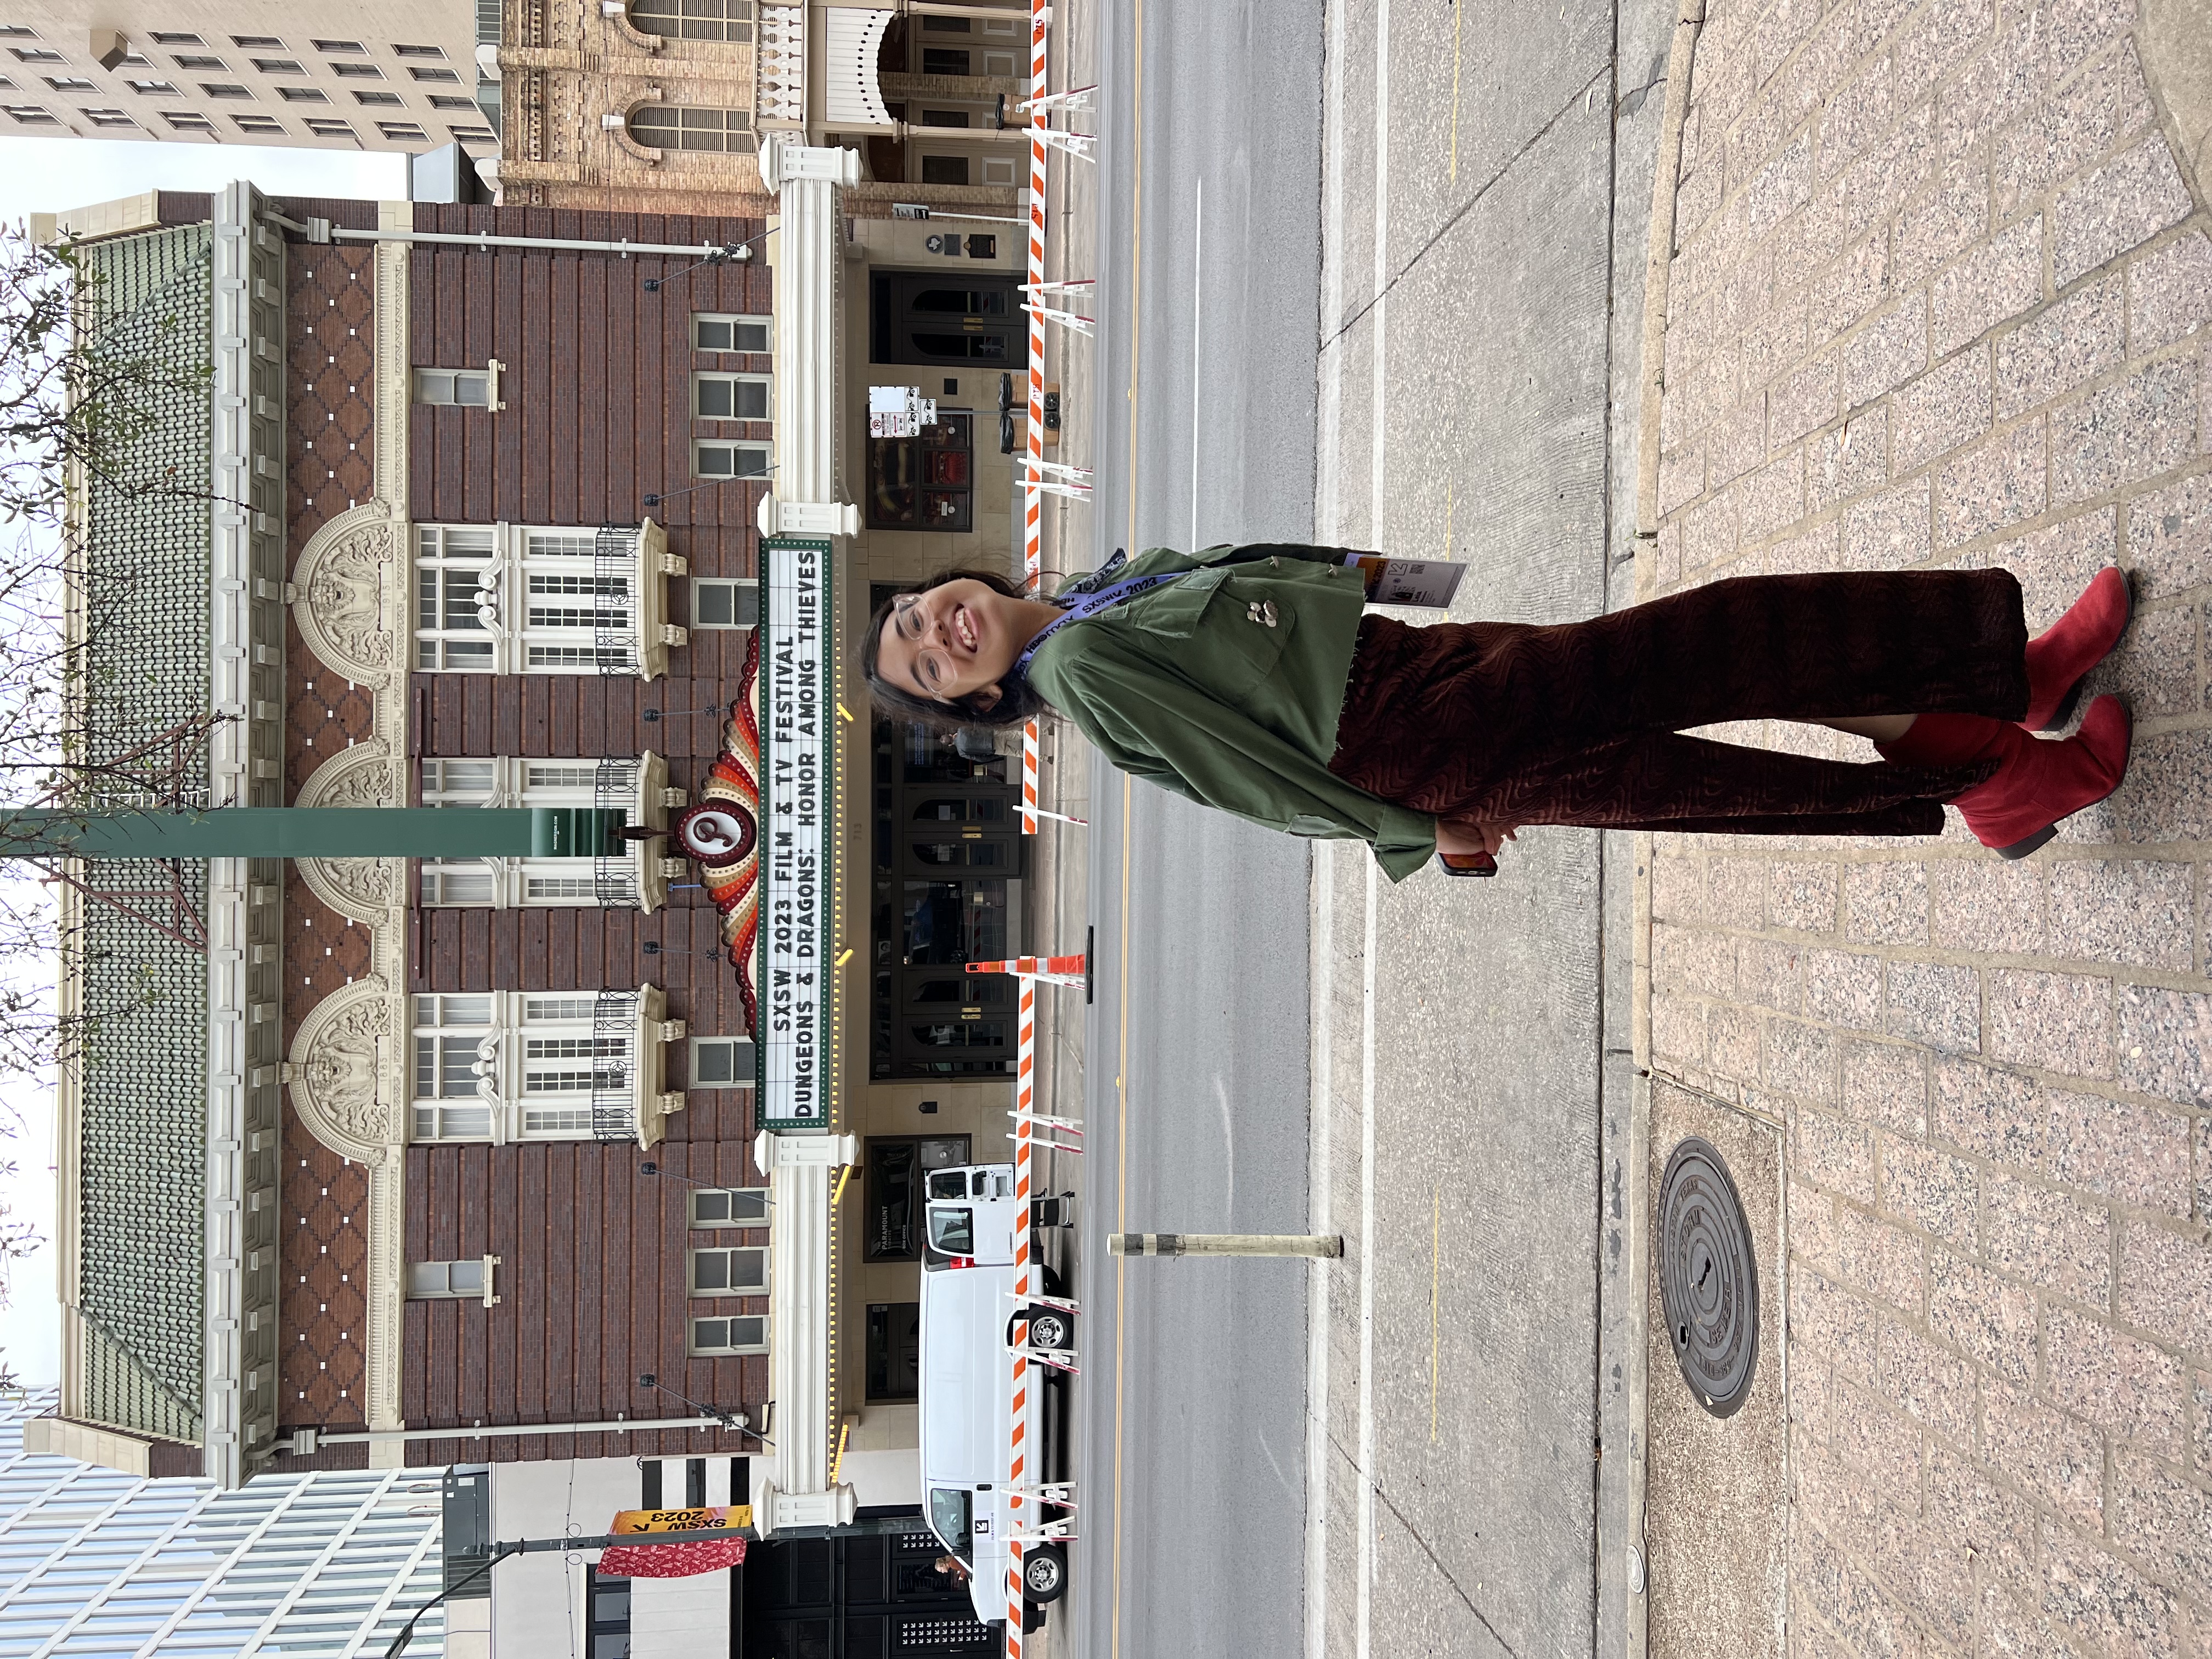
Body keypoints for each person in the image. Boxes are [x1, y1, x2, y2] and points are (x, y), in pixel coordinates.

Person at [861, 543, 2135, 880]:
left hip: (1414, 669)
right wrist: (1414, 828)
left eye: (920, 614)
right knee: (1728, 640)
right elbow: (1248, 778)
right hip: (1407, 738)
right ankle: (1990, 762)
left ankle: (1995, 707)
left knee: (1682, 752)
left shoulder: (1089, 599)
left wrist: (1359, 572)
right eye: (926, 666)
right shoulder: (1082, 674)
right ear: (975, 701)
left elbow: (1247, 573)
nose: (938, 632)